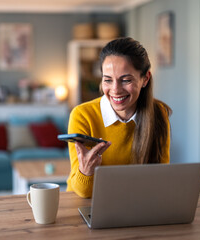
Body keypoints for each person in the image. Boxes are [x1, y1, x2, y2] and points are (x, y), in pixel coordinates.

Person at [66, 37, 172, 198]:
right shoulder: (82, 115)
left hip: (136, 203)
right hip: (85, 205)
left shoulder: (158, 114)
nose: (115, 90)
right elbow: (83, 192)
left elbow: (160, 178)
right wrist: (86, 171)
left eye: (126, 80)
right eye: (108, 80)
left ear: (145, 78)